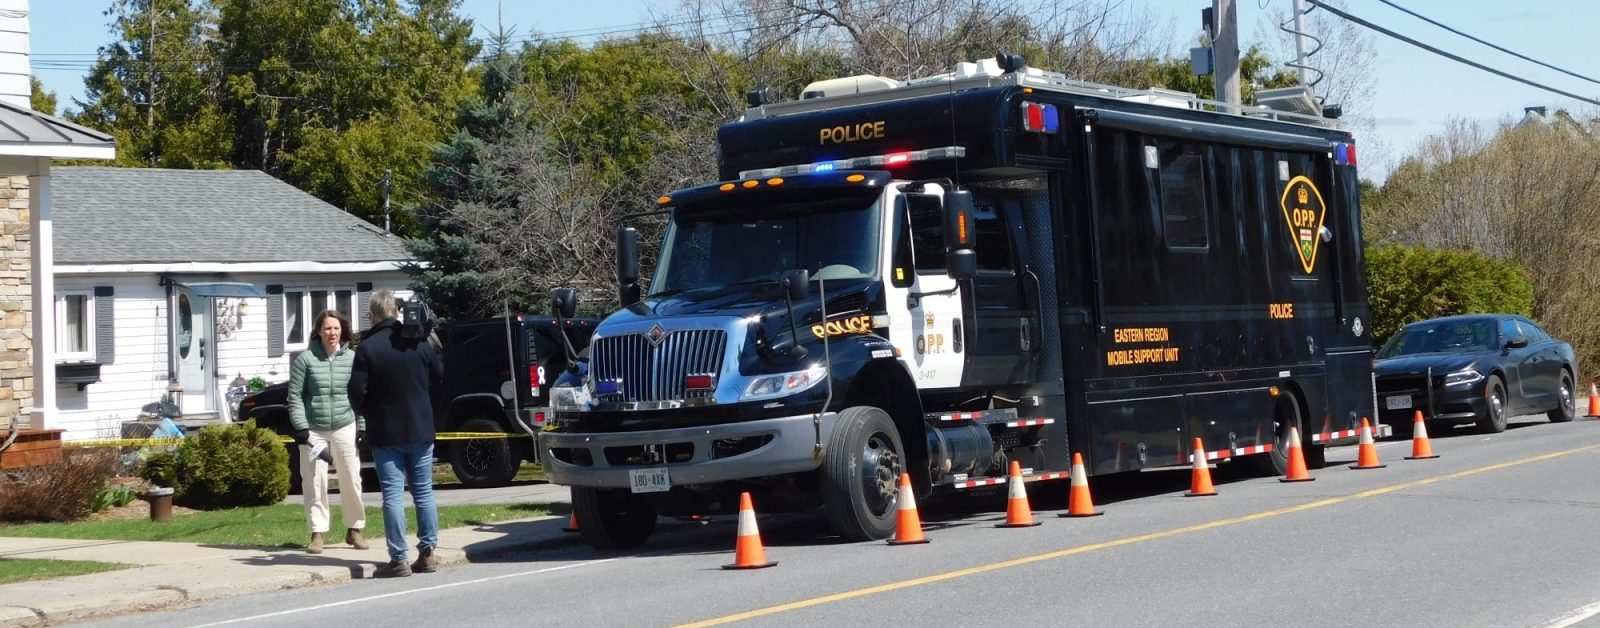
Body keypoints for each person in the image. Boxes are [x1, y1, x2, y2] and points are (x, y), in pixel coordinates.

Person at [349, 291, 443, 578]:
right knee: (423, 492)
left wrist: (369, 412)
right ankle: (428, 553)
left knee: (392, 494)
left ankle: (399, 558)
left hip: (385, 430)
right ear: (396, 312)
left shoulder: (367, 348)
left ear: (373, 316)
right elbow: (438, 374)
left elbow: (355, 392)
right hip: (420, 427)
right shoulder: (416, 341)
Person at [288, 309, 367, 554]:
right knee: (314, 480)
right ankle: (317, 534)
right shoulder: (305, 359)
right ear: (319, 332)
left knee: (351, 477)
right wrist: (301, 428)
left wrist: (361, 426)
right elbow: (295, 397)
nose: (331, 333)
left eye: (335, 328)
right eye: (326, 329)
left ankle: (355, 530)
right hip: (315, 432)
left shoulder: (353, 358)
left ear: (341, 330)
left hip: (344, 424)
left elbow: (360, 395)